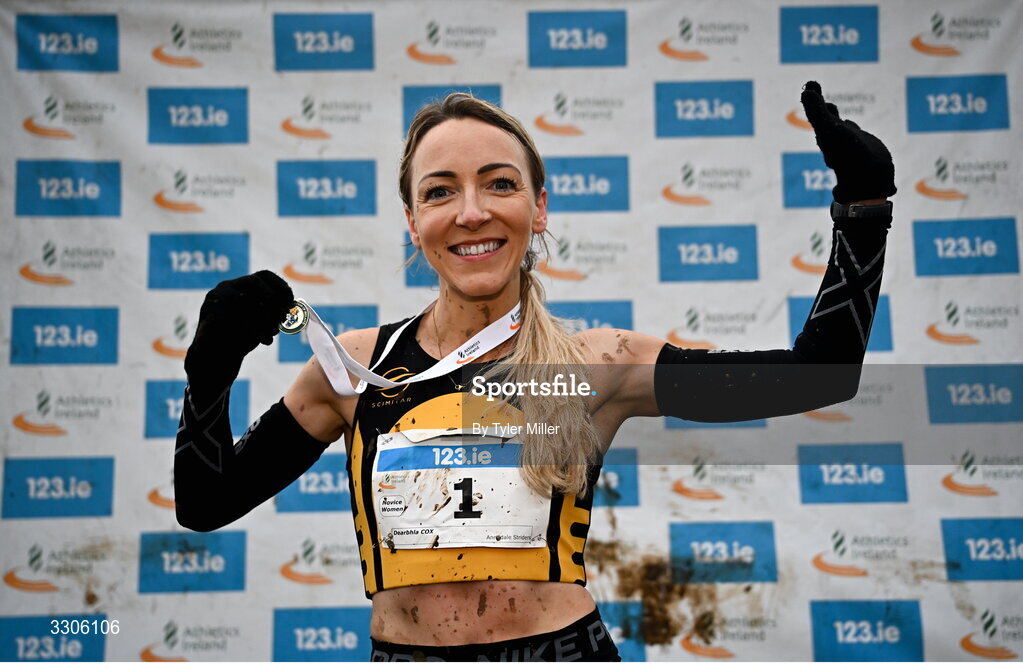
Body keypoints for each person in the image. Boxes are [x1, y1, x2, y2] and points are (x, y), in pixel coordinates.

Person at [174, 81, 895, 662]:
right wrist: (209, 372)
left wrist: (862, 209)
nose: (471, 212)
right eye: (439, 191)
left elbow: (817, 376)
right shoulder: (355, 368)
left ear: (538, 207)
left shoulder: (596, 365)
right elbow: (206, 504)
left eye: (498, 184)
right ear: (411, 219)